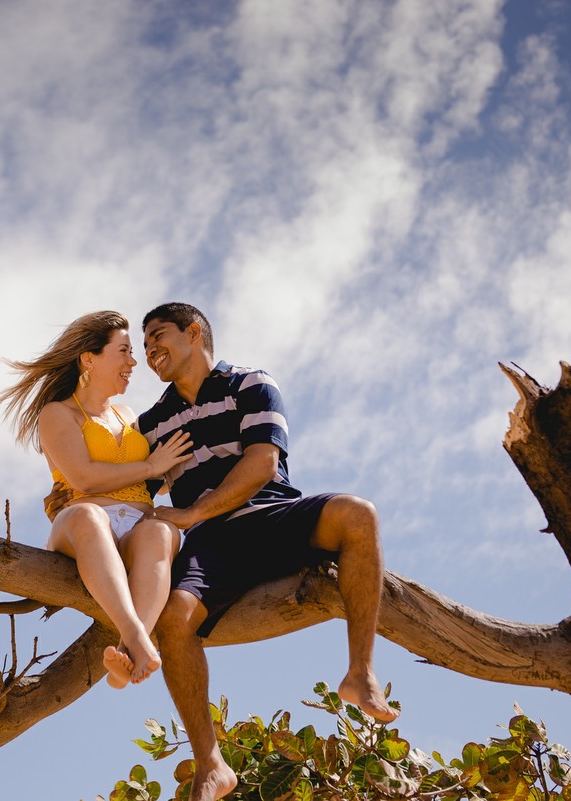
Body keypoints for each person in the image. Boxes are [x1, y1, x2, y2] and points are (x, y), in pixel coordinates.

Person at [134, 302, 399, 801]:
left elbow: (261, 464)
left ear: (194, 333)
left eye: (158, 336)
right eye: (144, 343)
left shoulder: (250, 383)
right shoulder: (151, 423)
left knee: (358, 513)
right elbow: (131, 497)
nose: (150, 349)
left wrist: (192, 512)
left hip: (274, 516)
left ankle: (360, 674)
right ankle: (210, 764)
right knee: (173, 619)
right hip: (212, 544)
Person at [0, 310, 193, 687]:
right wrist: (152, 467)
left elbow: (152, 479)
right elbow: (83, 476)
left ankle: (125, 660)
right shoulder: (57, 414)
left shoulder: (127, 415)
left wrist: (170, 471)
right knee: (88, 515)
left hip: (137, 524)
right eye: (123, 351)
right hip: (82, 524)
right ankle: (138, 637)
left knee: (163, 532)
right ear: (90, 358)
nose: (133, 362)